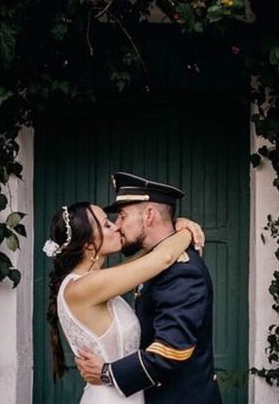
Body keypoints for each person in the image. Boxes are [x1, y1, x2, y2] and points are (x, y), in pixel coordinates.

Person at [75, 172, 223, 404]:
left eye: (123, 216)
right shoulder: (154, 263)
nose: (118, 225)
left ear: (150, 215)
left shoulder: (182, 270)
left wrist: (107, 372)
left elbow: (172, 350)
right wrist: (181, 228)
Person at [46, 200, 206, 403]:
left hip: (126, 393)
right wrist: (187, 232)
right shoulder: (84, 287)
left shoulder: (93, 281)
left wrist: (178, 223)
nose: (117, 226)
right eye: (106, 225)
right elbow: (163, 257)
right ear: (88, 244)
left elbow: (150, 255)